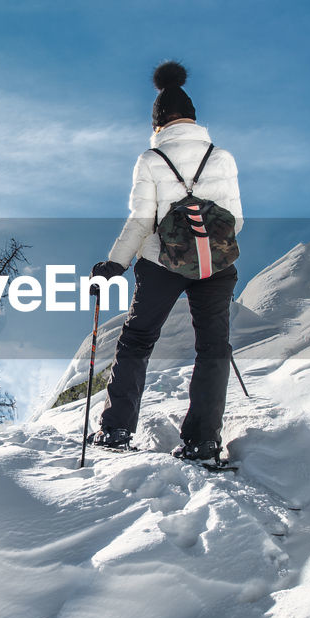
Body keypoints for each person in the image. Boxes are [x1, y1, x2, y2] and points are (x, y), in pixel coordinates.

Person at [90, 60, 243, 461]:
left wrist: (115, 264)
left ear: (158, 123)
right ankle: (203, 439)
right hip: (216, 265)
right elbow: (236, 220)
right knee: (213, 348)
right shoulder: (221, 157)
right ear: (193, 118)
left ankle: (117, 430)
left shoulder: (151, 160)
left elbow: (142, 221)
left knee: (138, 339)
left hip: (162, 265)